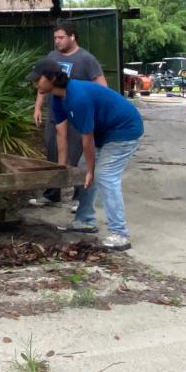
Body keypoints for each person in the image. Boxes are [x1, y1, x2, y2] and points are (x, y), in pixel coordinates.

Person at [28, 57, 143, 250]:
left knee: (105, 175)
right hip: (104, 131)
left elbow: (86, 138)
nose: (34, 84)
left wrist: (92, 170)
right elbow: (61, 132)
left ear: (52, 78)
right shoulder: (57, 97)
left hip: (124, 130)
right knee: (83, 169)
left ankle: (120, 234)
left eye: (37, 79)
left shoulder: (77, 97)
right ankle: (85, 220)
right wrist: (62, 169)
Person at [30, 21, 107, 208]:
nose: (57, 41)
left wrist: (95, 109)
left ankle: (80, 198)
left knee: (78, 153)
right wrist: (38, 107)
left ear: (72, 37)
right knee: (52, 149)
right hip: (56, 110)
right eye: (55, 37)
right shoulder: (51, 57)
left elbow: (102, 86)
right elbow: (42, 86)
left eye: (61, 37)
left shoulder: (86, 59)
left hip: (76, 112)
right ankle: (52, 193)